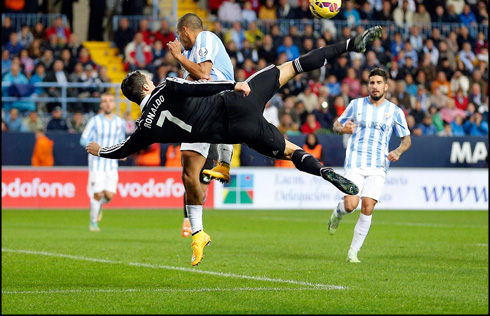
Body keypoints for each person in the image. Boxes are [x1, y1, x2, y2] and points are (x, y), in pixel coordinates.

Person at [86, 25, 382, 266]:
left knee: (289, 151)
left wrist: (100, 150)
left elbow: (122, 150)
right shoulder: (166, 87)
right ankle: (349, 45)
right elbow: (200, 83)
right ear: (148, 86)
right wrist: (232, 85)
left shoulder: (145, 128)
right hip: (238, 102)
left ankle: (319, 171)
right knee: (294, 66)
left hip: (235, 132)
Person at [327, 67, 412, 263]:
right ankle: (338, 213)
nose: (375, 86)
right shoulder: (356, 105)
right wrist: (342, 129)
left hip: (378, 165)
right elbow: (336, 125)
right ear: (368, 85)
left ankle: (353, 253)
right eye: (372, 82)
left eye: (379, 83)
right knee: (351, 205)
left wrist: (398, 151)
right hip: (355, 161)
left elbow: (406, 140)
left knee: (367, 207)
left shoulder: (395, 111)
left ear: (386, 86)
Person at [166, 13, 236, 238]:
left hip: (219, 99)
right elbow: (192, 81)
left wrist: (178, 57)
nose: (179, 40)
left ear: (185, 30)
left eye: (179, 34)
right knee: (188, 174)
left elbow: (204, 74)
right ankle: (194, 227)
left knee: (200, 176)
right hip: (202, 110)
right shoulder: (188, 54)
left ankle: (224, 160)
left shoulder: (205, 37)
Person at [80, 92, 126, 232]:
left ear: (113, 104)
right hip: (96, 165)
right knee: (97, 193)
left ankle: (98, 206)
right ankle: (93, 223)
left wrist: (123, 152)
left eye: (110, 101)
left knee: (108, 195)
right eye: (105, 101)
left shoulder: (120, 122)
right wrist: (93, 148)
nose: (107, 103)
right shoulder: (94, 121)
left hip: (112, 165)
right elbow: (83, 139)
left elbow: (121, 141)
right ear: (101, 104)